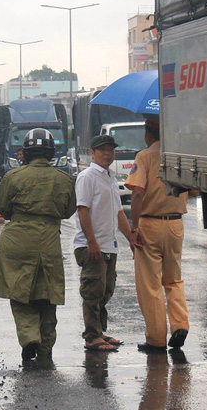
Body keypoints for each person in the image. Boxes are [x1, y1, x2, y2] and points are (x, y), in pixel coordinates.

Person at [0, 128, 77, 367]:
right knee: (48, 294)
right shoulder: (64, 179)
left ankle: (29, 337)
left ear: (25, 152)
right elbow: (69, 210)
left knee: (19, 292)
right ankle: (45, 347)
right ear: (51, 152)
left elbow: (3, 208)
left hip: (17, 239)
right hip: (49, 239)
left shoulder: (13, 177)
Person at [125, 119, 190, 353]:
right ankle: (180, 324)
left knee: (150, 284)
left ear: (148, 135)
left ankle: (156, 339)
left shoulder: (144, 156)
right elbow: (192, 189)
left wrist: (134, 228)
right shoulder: (178, 155)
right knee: (174, 279)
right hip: (175, 224)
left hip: (150, 224)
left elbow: (137, 193)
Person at [74, 135, 134, 352]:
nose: (108, 153)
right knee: (93, 291)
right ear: (92, 153)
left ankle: (99, 331)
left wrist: (131, 239)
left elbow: (119, 212)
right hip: (91, 245)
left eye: (111, 150)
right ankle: (91, 336)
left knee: (106, 290)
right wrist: (92, 243)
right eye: (103, 150)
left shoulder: (110, 177)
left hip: (110, 245)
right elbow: (83, 210)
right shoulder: (87, 177)